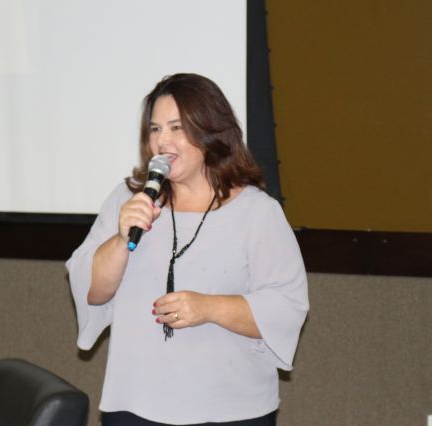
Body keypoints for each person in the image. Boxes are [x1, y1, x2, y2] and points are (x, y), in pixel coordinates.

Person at [66, 73, 309, 426]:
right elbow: (92, 290)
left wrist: (208, 307)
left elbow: (286, 306)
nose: (162, 140)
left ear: (210, 131)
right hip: (136, 404)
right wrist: (120, 240)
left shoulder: (257, 213)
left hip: (230, 411)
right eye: (155, 129)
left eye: (176, 128)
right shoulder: (128, 200)